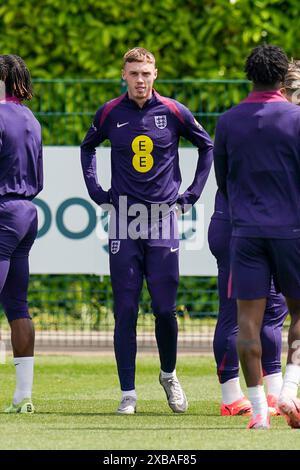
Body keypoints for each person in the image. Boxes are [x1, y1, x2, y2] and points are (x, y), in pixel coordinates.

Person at [81, 47, 213, 414]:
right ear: (123, 74)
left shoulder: (173, 111)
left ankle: (169, 375)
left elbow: (207, 146)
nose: (140, 80)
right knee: (125, 310)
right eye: (134, 73)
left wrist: (192, 194)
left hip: (162, 219)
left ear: (156, 74)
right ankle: (128, 393)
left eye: (146, 73)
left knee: (165, 308)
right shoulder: (109, 112)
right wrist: (96, 191)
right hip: (123, 219)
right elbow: (87, 147)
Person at [214, 44, 300, 429]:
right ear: (284, 78)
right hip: (292, 232)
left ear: (250, 75)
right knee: (298, 314)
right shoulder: (296, 118)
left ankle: (260, 415)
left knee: (246, 323)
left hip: (245, 232)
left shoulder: (229, 121)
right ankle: (289, 391)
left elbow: (223, 179)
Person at [208, 191, 288, 417]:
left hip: (271, 223)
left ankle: (275, 390)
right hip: (236, 224)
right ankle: (230, 396)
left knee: (274, 308)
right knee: (235, 311)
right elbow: (224, 177)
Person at [0, 55, 43, 413]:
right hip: (27, 212)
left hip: (2, 211)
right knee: (17, 306)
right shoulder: (31, 118)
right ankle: (22, 396)